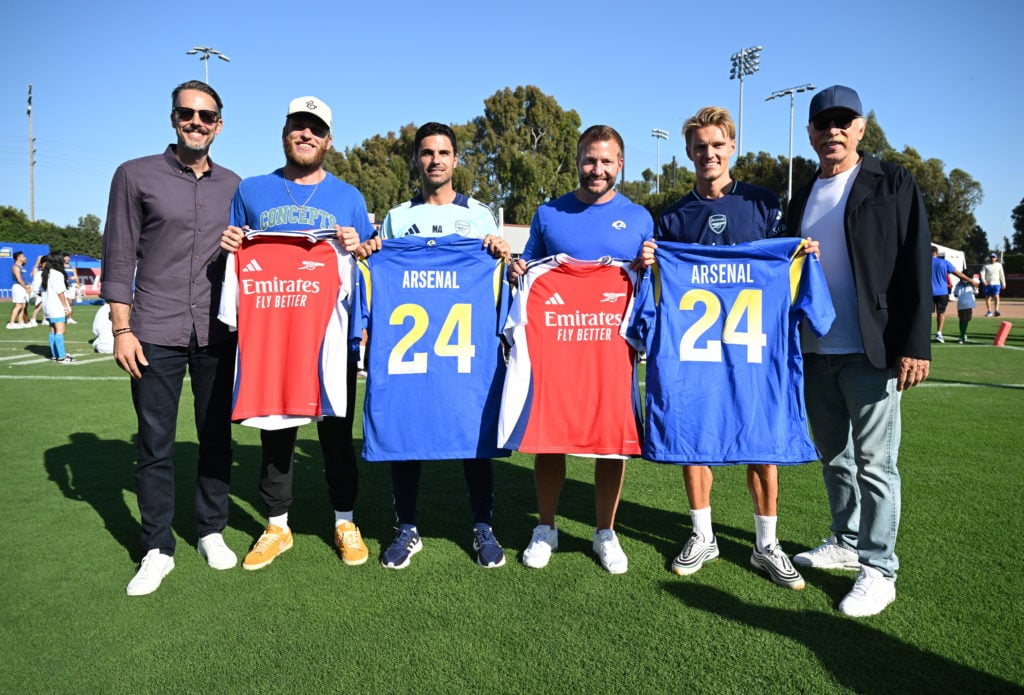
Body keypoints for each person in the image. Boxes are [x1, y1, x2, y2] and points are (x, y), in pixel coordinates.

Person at [642, 106, 818, 590]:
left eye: (717, 145)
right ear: (688, 152)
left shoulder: (763, 205)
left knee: (762, 443)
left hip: (753, 348)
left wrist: (802, 257)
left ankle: (766, 545)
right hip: (696, 352)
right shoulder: (673, 216)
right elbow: (660, 282)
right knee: (695, 436)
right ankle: (703, 535)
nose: (709, 154)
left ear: (732, 147)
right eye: (700, 147)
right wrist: (651, 261)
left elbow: (784, 269)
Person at [786, 85, 932, 617]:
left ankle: (879, 569)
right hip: (815, 350)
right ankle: (846, 542)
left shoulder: (892, 182)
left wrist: (914, 344)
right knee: (835, 459)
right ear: (810, 133)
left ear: (861, 127)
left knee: (876, 465)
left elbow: (915, 264)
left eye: (843, 121)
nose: (833, 131)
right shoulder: (802, 194)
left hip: (872, 350)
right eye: (823, 124)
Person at [219, 96, 376, 572]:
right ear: (284, 132)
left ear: (328, 140)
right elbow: (235, 254)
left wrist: (359, 244)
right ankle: (277, 525)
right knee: (276, 431)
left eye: (315, 129)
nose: (305, 135)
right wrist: (229, 243)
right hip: (273, 335)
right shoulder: (252, 190)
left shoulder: (348, 196)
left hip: (330, 337)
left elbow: (370, 255)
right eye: (297, 126)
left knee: (335, 434)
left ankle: (345, 520)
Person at [101, 80, 241, 596]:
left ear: (219, 124)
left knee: (216, 438)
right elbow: (118, 255)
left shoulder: (236, 186)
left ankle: (211, 529)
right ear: (173, 117)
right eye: (188, 113)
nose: (197, 122)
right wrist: (121, 327)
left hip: (216, 331)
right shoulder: (134, 175)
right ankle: (157, 547)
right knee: (155, 445)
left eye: (207, 116)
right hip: (153, 329)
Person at [355, 122, 511, 570]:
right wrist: (371, 254)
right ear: (417, 160)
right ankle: (406, 527)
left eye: (444, 152)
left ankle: (482, 526)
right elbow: (382, 272)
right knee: (406, 426)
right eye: (427, 153)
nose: (435, 160)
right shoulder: (398, 218)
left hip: (464, 348)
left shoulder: (480, 216)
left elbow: (501, 276)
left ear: (456, 160)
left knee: (474, 432)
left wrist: (500, 253)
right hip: (412, 349)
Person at [508, 125, 653, 574]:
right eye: (590, 160)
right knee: (551, 438)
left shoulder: (640, 217)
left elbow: (650, 287)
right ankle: (545, 527)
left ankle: (605, 531)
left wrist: (650, 266)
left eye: (607, 161)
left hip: (611, 352)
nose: (598, 169)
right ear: (577, 161)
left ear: (620, 165)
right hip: (557, 350)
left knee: (610, 443)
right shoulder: (550, 214)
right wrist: (519, 270)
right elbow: (529, 267)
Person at [931, 246, 977, 343]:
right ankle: (939, 333)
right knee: (941, 313)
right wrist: (971, 281)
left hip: (928, 292)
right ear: (937, 252)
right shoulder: (944, 262)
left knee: (926, 314)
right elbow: (959, 274)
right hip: (942, 292)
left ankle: (925, 334)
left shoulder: (923, 262)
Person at [41, 253, 75, 362]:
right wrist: (66, 307)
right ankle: (61, 356)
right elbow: (60, 292)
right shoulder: (57, 274)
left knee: (52, 330)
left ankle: (55, 354)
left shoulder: (45, 273)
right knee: (60, 331)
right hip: (56, 306)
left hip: (47, 306)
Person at [7, 251, 31, 329]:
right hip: (18, 287)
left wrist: (29, 286)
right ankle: (11, 323)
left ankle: (21, 322)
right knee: (18, 305)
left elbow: (25, 279)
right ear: (18, 257)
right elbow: (19, 279)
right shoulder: (15, 267)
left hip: (23, 287)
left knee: (23, 305)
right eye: (23, 256)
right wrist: (26, 288)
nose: (25, 258)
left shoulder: (22, 267)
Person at [980, 252, 1006, 317]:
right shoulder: (985, 265)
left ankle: (996, 311)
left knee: (996, 296)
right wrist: (983, 281)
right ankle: (989, 311)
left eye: (994, 257)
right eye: (991, 257)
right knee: (988, 297)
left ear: (996, 258)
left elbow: (1001, 274)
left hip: (996, 283)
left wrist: (1003, 283)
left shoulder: (999, 265)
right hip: (988, 284)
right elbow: (982, 273)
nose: (992, 258)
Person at [953, 278, 976, 344]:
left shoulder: (958, 283)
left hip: (960, 304)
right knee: (965, 320)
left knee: (961, 320)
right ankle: (962, 336)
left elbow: (955, 294)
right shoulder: (972, 283)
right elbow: (976, 292)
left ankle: (963, 334)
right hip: (968, 304)